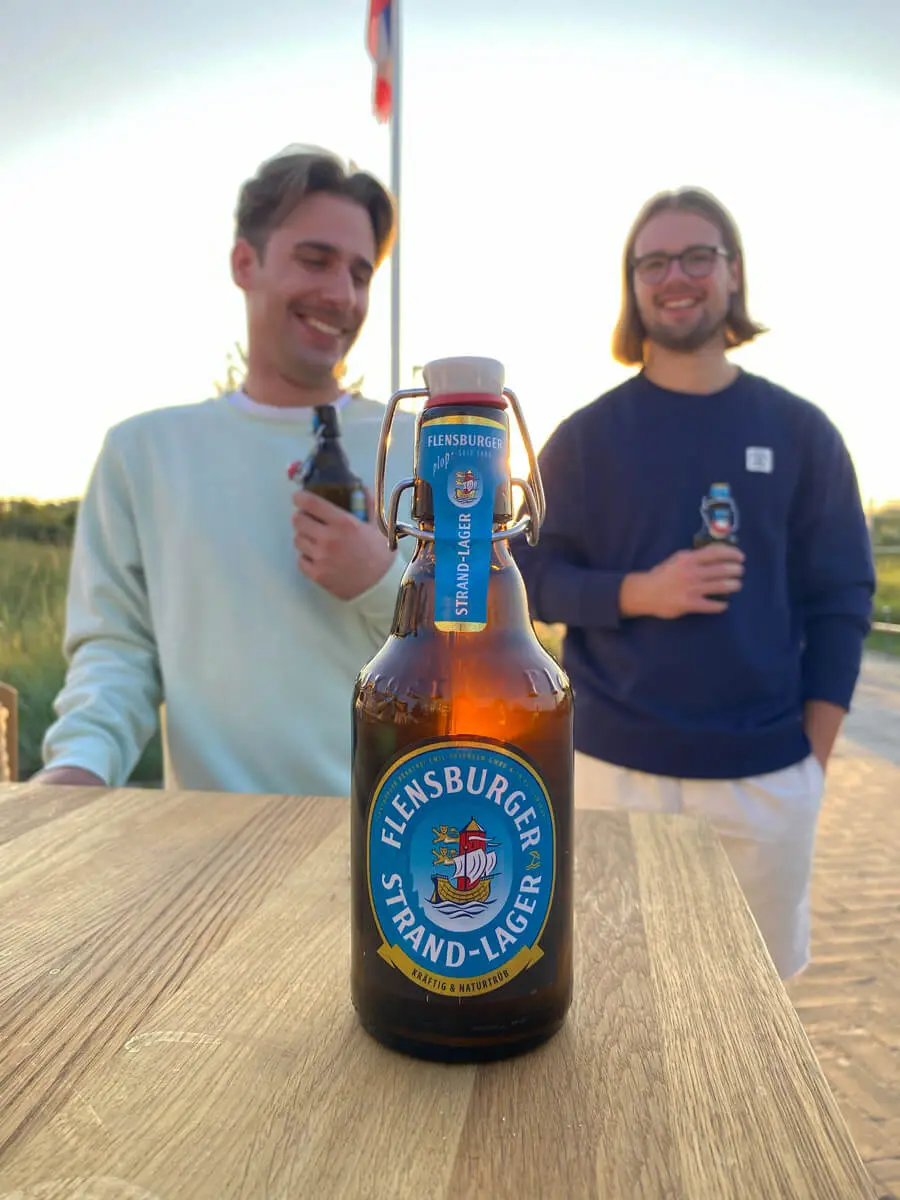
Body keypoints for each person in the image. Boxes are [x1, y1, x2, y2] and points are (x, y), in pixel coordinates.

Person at [513, 186, 875, 979]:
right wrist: (635, 592)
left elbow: (843, 598)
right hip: (608, 770)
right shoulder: (584, 438)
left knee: (754, 1017)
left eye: (697, 256)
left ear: (733, 273)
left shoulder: (802, 433)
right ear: (633, 284)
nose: (675, 276)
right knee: (605, 1000)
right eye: (654, 262)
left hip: (764, 783)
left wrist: (811, 762)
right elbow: (527, 576)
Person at [35, 145, 416, 797]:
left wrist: (384, 581)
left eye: (359, 273)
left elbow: (483, 650)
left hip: (392, 840)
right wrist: (78, 766)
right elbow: (116, 654)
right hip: (210, 851)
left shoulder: (416, 446)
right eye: (315, 259)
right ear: (245, 262)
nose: (341, 294)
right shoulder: (143, 453)